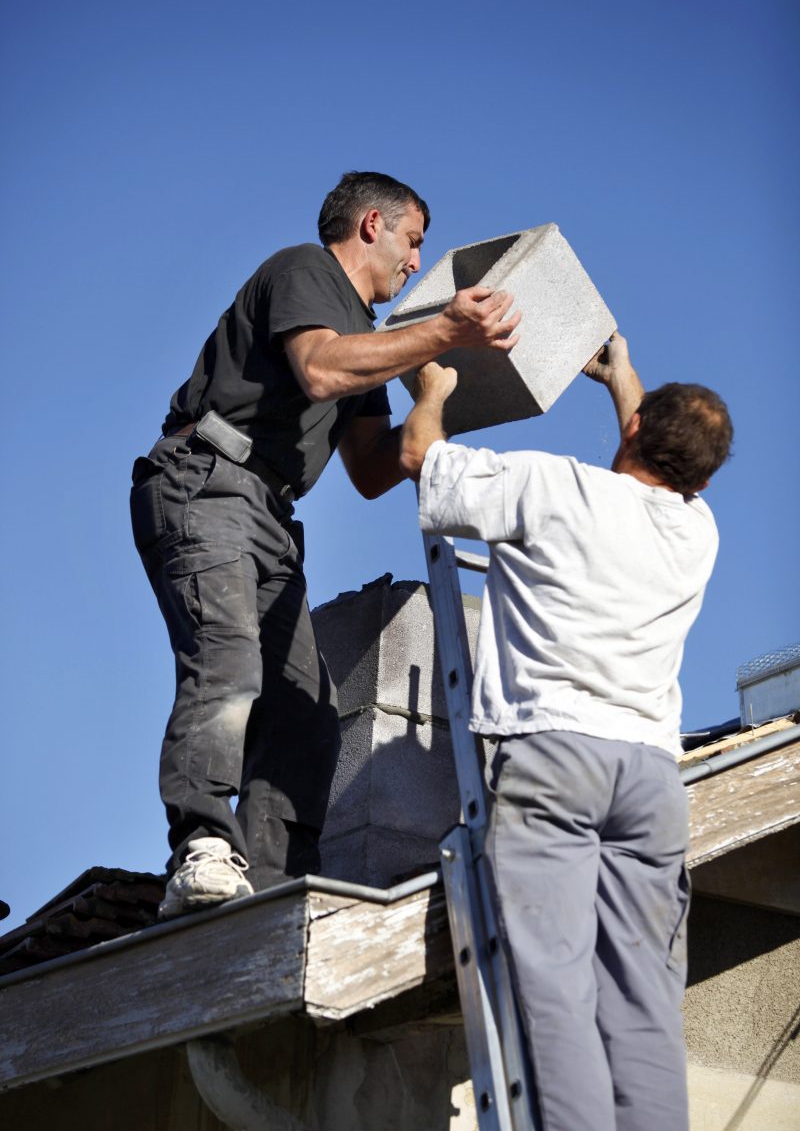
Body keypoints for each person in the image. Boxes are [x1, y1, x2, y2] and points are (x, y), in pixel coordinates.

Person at [130, 170, 521, 919]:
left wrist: (437, 397)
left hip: (268, 512)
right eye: (413, 242)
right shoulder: (304, 270)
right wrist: (443, 330)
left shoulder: (370, 343)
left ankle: (273, 887)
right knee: (229, 660)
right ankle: (203, 847)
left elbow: (376, 470)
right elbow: (316, 370)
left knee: (306, 713)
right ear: (372, 225)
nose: (415, 264)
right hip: (207, 478)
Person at [399, 334, 733, 1131]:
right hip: (652, 781)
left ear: (635, 430)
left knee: (557, 991)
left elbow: (421, 456)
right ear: (706, 477)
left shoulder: (547, 486)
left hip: (556, 758)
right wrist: (622, 378)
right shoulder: (698, 533)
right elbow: (656, 451)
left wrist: (434, 387)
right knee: (644, 1002)